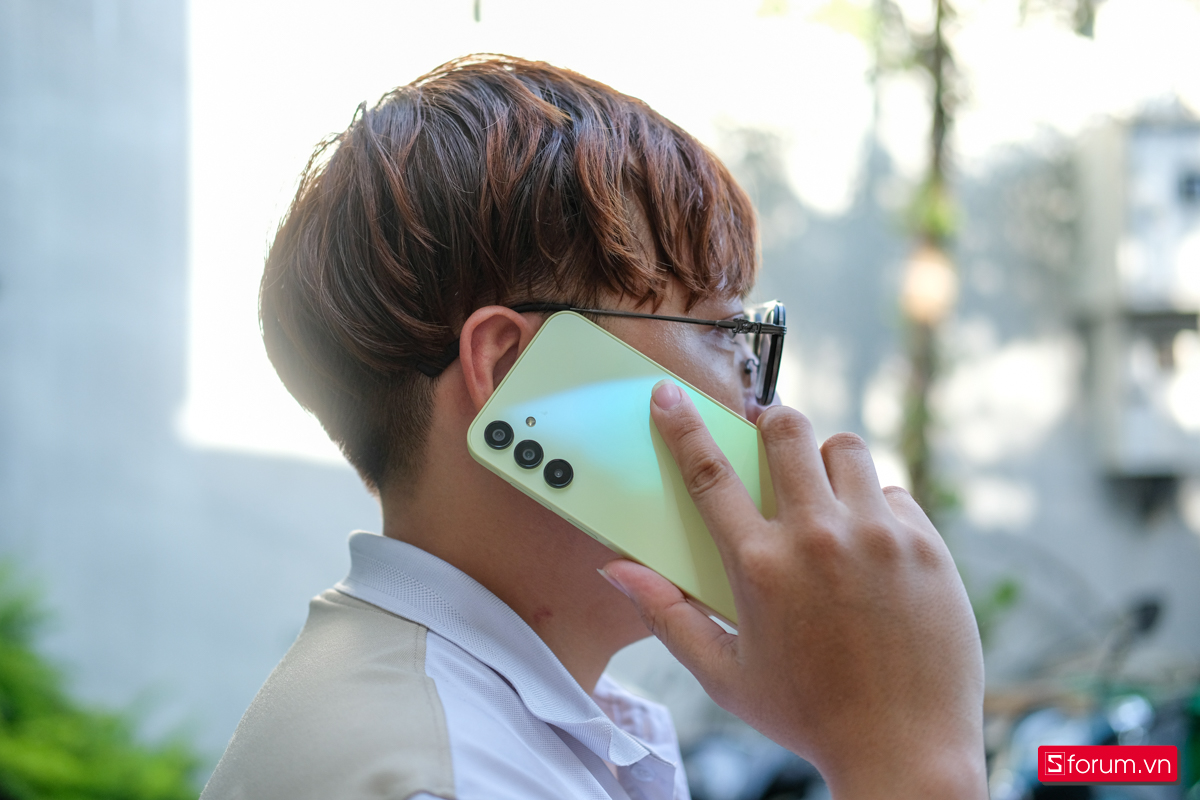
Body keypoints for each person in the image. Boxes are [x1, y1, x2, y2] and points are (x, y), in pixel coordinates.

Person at [201, 55, 987, 800]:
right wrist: (909, 757)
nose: (762, 407)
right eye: (725, 332)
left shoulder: (475, 721)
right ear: (515, 375)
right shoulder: (440, 775)